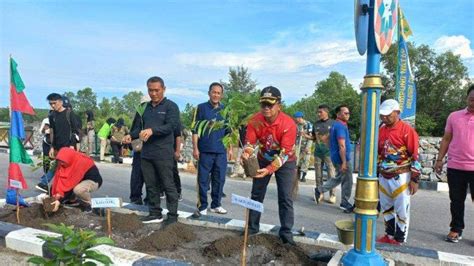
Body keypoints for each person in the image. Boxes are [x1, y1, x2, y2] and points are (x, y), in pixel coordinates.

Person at [241, 86, 297, 245]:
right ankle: (252, 228)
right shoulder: (254, 120)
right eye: (263, 104)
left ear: (279, 104)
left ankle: (286, 232)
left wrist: (270, 169)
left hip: (286, 162)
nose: (266, 108)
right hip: (263, 158)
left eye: (270, 104)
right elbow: (250, 143)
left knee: (285, 196)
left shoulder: (288, 124)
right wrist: (246, 153)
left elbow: (285, 153)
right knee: (256, 194)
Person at [124, 76, 180, 224]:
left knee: (168, 184)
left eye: (157, 90)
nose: (153, 93)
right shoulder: (144, 108)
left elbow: (171, 126)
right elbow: (139, 128)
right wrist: (131, 135)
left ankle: (173, 216)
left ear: (163, 89)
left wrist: (153, 130)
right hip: (146, 153)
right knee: (151, 184)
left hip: (163, 153)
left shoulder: (171, 107)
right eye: (150, 90)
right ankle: (155, 212)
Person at [376, 99, 421, 245]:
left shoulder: (407, 130)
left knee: (402, 209)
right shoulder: (381, 129)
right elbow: (377, 153)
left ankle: (399, 239)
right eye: (382, 115)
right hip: (384, 175)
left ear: (397, 113)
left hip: (401, 176)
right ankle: (389, 235)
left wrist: (414, 180)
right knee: (386, 207)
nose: (384, 118)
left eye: (388, 115)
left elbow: (415, 155)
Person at [435, 85, 474, 243]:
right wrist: (439, 159)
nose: (473, 103)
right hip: (455, 166)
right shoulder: (454, 116)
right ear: (466, 98)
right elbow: (446, 138)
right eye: (471, 99)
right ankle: (456, 229)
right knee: (456, 200)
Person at [191, 82, 229, 217]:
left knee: (219, 179)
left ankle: (216, 205)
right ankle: (202, 206)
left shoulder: (226, 110)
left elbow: (228, 132)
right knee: (203, 179)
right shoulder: (201, 108)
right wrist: (195, 148)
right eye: (214, 92)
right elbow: (195, 130)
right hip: (205, 150)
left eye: (219, 93)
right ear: (209, 93)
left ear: (222, 95)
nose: (216, 95)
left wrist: (229, 149)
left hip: (220, 151)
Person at [36, 93, 81, 192]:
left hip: (68, 146)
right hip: (57, 146)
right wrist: (52, 146)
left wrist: (73, 146)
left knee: (62, 166)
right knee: (60, 166)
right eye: (50, 104)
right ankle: (56, 187)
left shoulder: (69, 114)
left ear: (60, 102)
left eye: (54, 103)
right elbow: (52, 131)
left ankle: (47, 184)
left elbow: (75, 132)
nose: (52, 105)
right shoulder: (52, 116)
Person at [314, 105, 354, 213]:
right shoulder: (340, 126)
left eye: (348, 113)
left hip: (336, 157)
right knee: (347, 181)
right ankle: (344, 203)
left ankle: (320, 189)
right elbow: (342, 145)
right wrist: (344, 162)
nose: (347, 115)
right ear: (338, 114)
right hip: (342, 158)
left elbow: (325, 139)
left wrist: (332, 150)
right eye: (345, 113)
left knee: (339, 178)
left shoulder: (335, 125)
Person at [49, 147, 102, 213]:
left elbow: (71, 186)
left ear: (69, 158)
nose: (61, 163)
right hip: (79, 180)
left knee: (78, 190)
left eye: (63, 161)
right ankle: (72, 200)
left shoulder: (80, 163)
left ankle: (89, 204)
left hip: (93, 181)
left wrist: (59, 201)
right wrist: (52, 195)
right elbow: (58, 180)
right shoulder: (66, 163)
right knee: (67, 187)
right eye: (60, 161)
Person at [313, 104, 337, 204]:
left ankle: (332, 194)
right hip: (318, 152)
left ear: (326, 112)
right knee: (318, 174)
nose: (319, 114)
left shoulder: (334, 123)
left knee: (331, 173)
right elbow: (314, 138)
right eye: (318, 112)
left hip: (329, 152)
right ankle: (320, 192)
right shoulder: (316, 124)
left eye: (320, 112)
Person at [293, 111, 313, 182]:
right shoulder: (296, 125)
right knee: (296, 160)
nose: (295, 119)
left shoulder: (308, 125)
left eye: (296, 118)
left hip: (306, 145)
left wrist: (308, 147)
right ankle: (296, 175)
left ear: (299, 118)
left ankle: (303, 176)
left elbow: (311, 138)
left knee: (306, 160)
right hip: (298, 145)